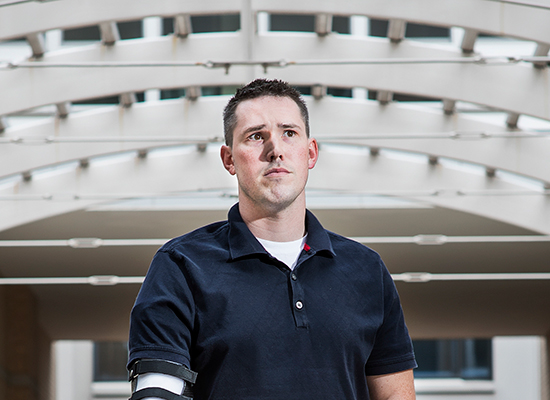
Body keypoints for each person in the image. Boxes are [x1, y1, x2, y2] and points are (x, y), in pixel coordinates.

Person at [127, 78, 417, 400]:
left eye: (288, 133)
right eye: (255, 136)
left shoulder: (366, 270)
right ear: (229, 159)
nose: (275, 150)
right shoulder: (180, 266)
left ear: (310, 153)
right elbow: (156, 394)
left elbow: (395, 395)